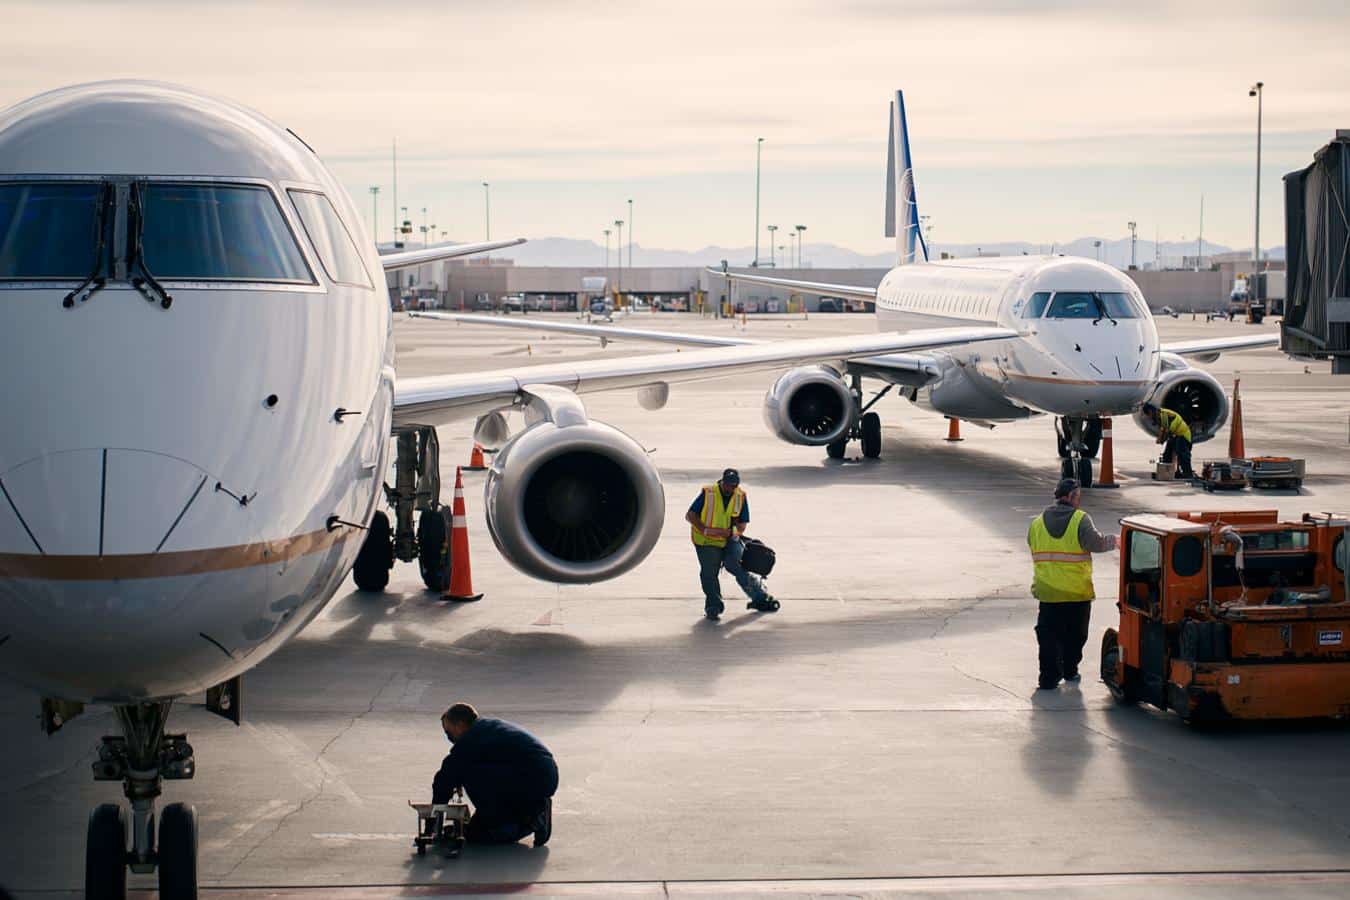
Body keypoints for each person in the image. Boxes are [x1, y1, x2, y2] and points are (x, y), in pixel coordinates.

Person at [1027, 478, 1118, 690]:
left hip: (1048, 592)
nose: (1079, 501)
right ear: (1069, 497)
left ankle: (1048, 678)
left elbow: (1031, 543)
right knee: (1076, 635)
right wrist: (1114, 540)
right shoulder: (1081, 520)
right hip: (1076, 593)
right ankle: (1069, 670)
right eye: (1078, 497)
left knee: (1049, 636)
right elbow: (1095, 543)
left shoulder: (1036, 523)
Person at [431, 702, 558, 846]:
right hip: (544, 773)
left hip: (532, 778)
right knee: (474, 830)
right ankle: (529, 811)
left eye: (449, 732)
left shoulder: (471, 740)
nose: (449, 738)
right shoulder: (487, 728)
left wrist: (432, 820)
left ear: (460, 725)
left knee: (469, 774)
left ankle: (531, 818)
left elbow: (444, 780)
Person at [686, 468, 776, 620]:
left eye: (734, 486)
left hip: (729, 539)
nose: (731, 489)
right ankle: (713, 606)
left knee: (739, 566)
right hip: (707, 540)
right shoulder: (709, 493)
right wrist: (705, 530)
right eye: (728, 485)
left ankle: (760, 597)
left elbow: (742, 523)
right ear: (722, 482)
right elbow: (690, 515)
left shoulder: (740, 496)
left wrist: (732, 533)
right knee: (709, 572)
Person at [1144, 402, 1194, 479]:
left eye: (1148, 415)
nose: (1149, 417)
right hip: (1175, 434)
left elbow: (1165, 430)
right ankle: (1167, 472)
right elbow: (1163, 429)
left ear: (1150, 412)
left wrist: (1161, 439)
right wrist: (1161, 438)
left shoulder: (1163, 414)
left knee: (1182, 453)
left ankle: (1188, 473)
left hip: (1183, 434)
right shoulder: (1158, 415)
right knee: (1167, 453)